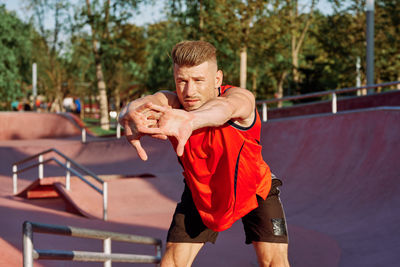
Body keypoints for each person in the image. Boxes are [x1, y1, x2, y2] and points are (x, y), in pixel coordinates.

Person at [119, 40, 289, 267]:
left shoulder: (238, 99)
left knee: (274, 263)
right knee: (171, 263)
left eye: (199, 81)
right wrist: (129, 110)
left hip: (256, 190)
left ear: (217, 79)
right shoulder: (175, 104)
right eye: (182, 81)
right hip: (201, 194)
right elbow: (155, 99)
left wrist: (192, 119)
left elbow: (226, 109)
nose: (189, 91)